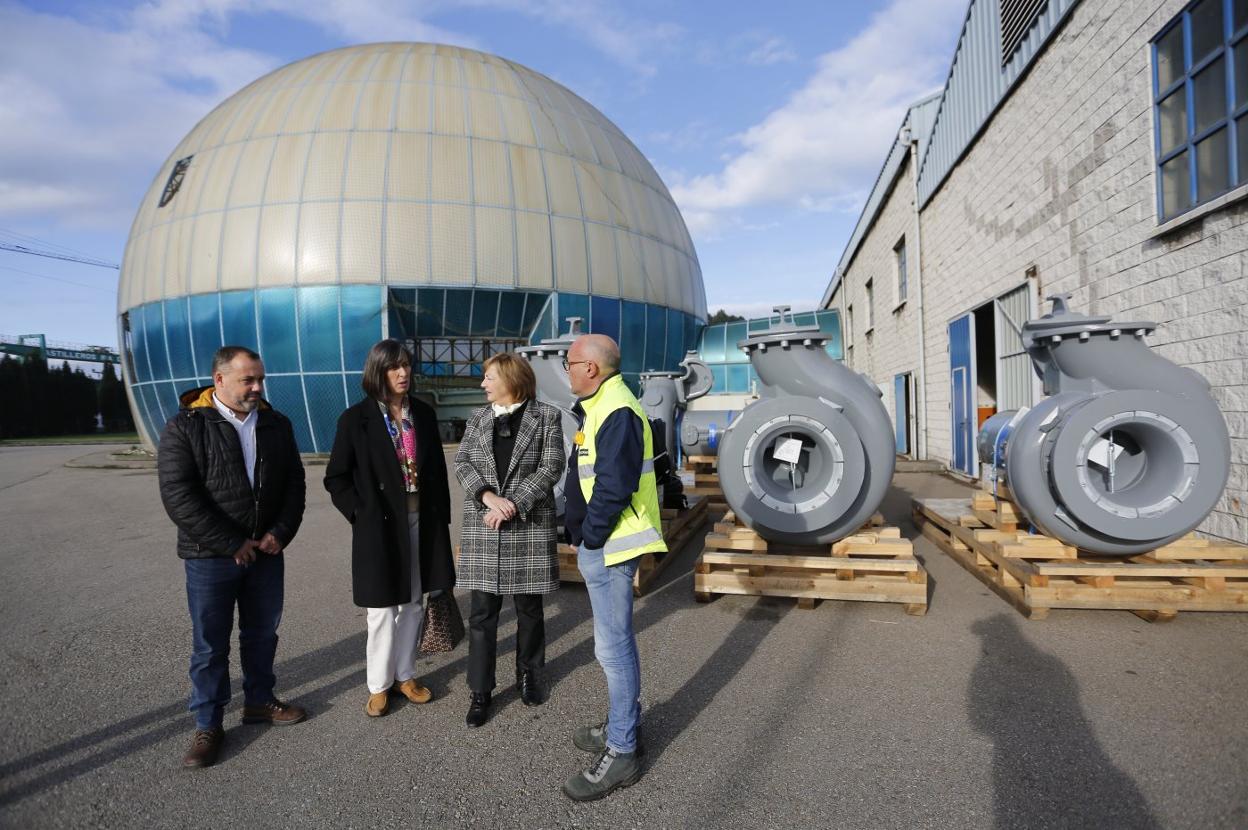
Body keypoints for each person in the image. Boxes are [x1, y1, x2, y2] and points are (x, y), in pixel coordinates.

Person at [157, 346, 307, 769]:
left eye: (260, 379)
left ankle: (259, 702)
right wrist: (230, 542)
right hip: (210, 558)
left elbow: (294, 484)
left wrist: (280, 532)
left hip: (266, 552)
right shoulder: (186, 427)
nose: (258, 387)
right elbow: (178, 496)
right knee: (209, 645)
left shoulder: (276, 424)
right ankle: (208, 724)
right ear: (218, 380)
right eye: (248, 380)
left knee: (262, 634)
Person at [323, 339, 456, 718]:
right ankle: (378, 685)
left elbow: (437, 473)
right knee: (381, 609)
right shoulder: (355, 419)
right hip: (379, 525)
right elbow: (336, 478)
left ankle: (406, 675)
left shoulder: (424, 415)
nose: (403, 373)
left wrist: (441, 517)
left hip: (422, 521)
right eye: (393, 367)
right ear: (377, 372)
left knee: (414, 602)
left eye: (406, 366)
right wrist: (359, 514)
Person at [559, 334, 666, 801]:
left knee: (613, 649)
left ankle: (622, 750)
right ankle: (623, 724)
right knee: (612, 648)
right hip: (604, 544)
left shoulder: (617, 411)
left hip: (612, 547)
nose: (566, 370)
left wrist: (590, 537)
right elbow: (584, 471)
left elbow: (614, 485)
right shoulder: (601, 405)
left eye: (570, 363)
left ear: (593, 368)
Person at [453, 353, 565, 728]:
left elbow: (552, 467)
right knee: (482, 615)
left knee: (529, 611)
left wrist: (512, 504)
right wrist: (488, 496)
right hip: (485, 524)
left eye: (489, 377)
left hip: (527, 525)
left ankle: (530, 675)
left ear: (511, 378)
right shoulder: (478, 418)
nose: (483, 384)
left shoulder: (546, 416)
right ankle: (480, 690)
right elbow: (463, 462)